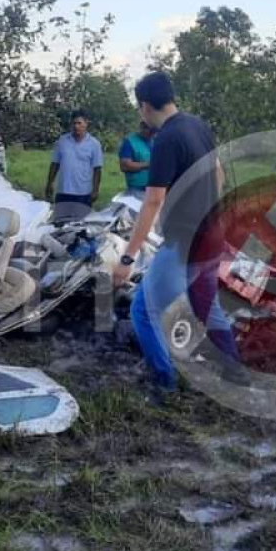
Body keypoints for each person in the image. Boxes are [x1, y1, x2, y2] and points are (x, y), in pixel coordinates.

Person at [109, 72, 241, 405]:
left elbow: (152, 200)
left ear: (143, 106)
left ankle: (164, 383)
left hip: (185, 242)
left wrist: (127, 259)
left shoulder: (166, 139)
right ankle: (234, 369)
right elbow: (219, 173)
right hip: (212, 233)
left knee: (142, 311)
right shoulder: (197, 125)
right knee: (205, 303)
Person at [45, 110, 104, 221]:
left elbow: (97, 169)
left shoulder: (94, 144)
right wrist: (50, 183)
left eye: (79, 123)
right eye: (74, 123)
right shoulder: (62, 141)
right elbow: (54, 164)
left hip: (83, 194)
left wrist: (95, 190)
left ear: (86, 123)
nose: (76, 126)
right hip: (63, 191)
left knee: (80, 227)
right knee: (59, 226)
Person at [119, 121, 154, 201]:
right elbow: (125, 166)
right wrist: (149, 164)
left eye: (154, 131)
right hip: (137, 188)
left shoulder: (155, 140)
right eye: (149, 130)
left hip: (154, 186)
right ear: (141, 127)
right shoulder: (129, 142)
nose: (152, 134)